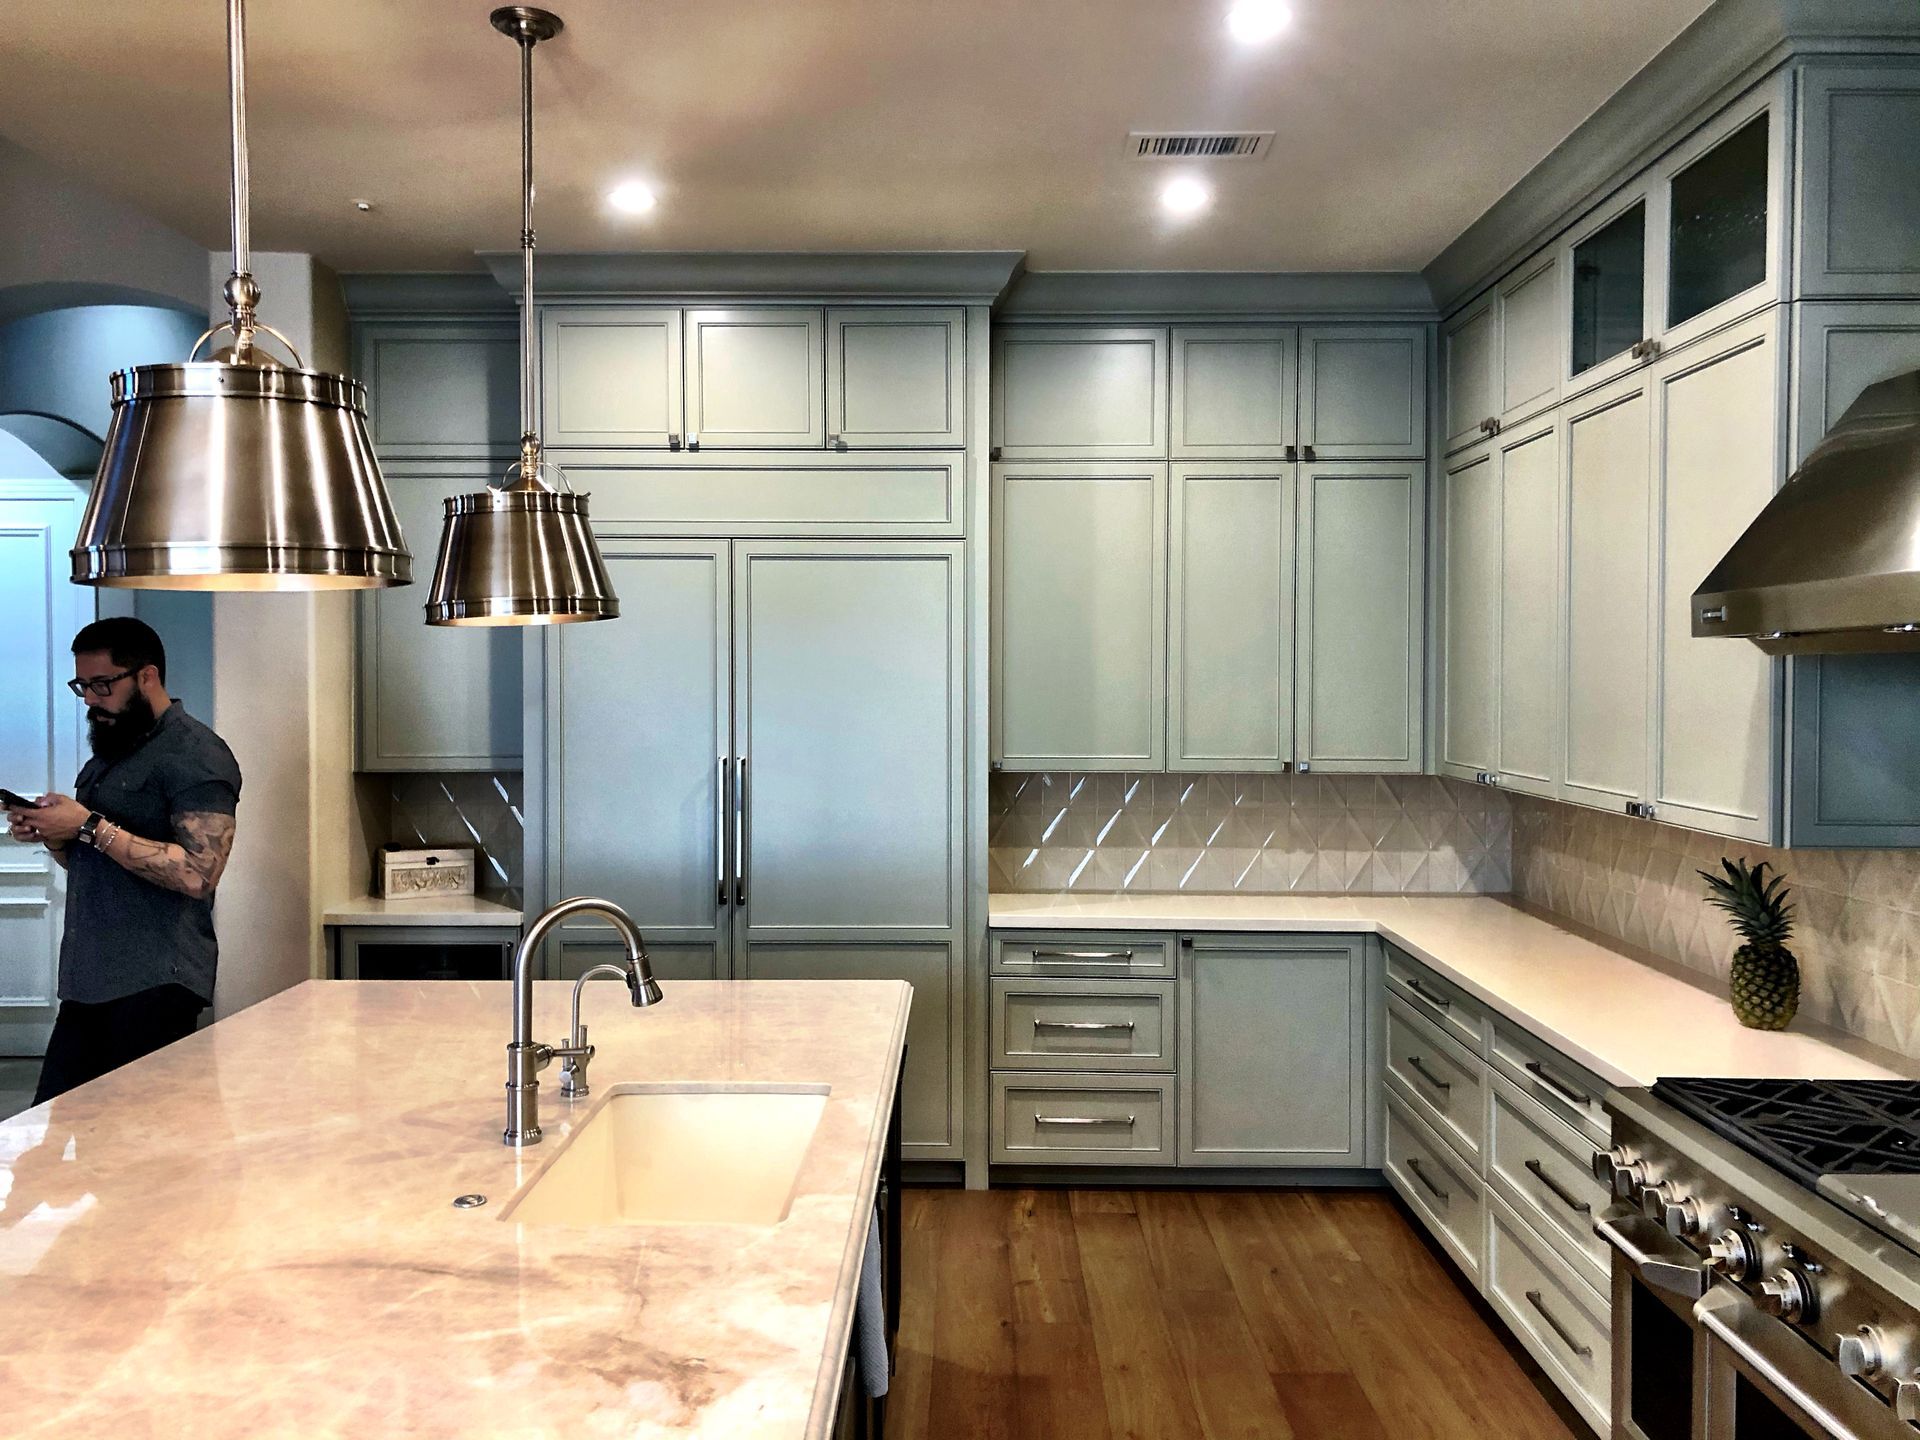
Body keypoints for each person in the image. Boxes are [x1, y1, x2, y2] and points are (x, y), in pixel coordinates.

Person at [4, 617, 242, 1105]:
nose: (90, 699)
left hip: (156, 981)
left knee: (140, 1149)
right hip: (89, 980)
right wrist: (55, 835)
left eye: (102, 684)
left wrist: (89, 826)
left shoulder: (196, 755)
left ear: (147, 677)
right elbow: (97, 865)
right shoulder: (111, 752)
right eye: (82, 686)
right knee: (56, 1137)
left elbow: (200, 874)